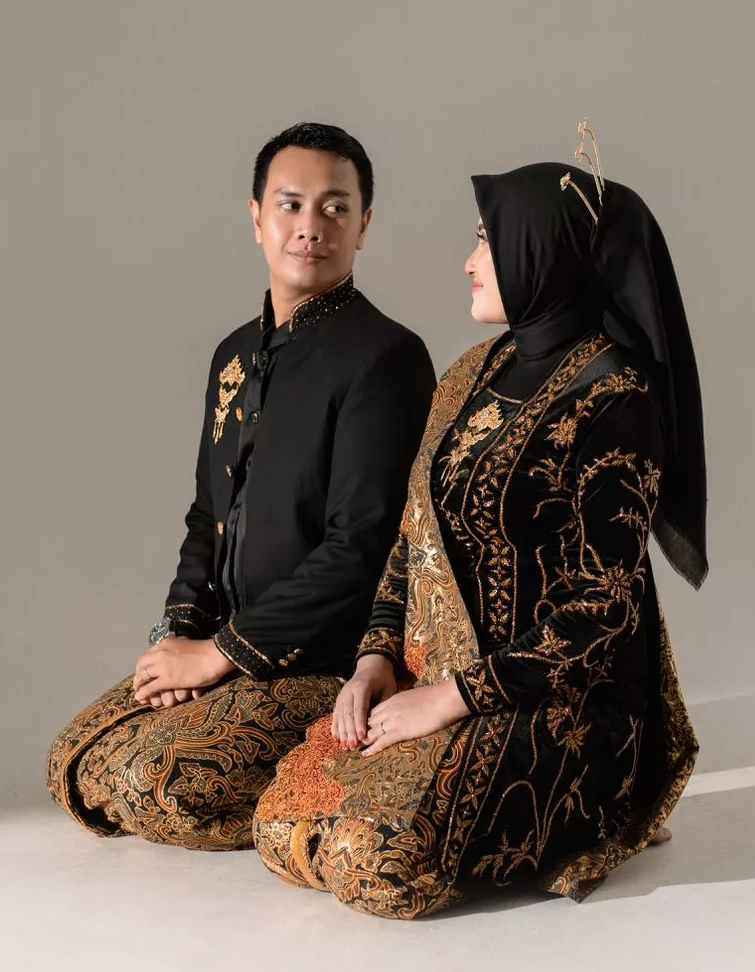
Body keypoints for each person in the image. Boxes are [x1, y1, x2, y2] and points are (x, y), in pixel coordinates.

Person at [254, 128, 706, 916]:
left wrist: (450, 699)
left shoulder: (614, 397)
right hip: (440, 682)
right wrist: (374, 661)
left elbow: (605, 605)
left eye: (487, 242)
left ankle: (611, 804)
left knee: (376, 865)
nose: (469, 262)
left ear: (544, 252)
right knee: (280, 819)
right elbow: (411, 537)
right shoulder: (471, 372)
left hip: (563, 707)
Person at [47, 122, 436, 849]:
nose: (311, 226)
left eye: (335, 208)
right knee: (74, 762)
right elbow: (208, 516)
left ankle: (323, 771)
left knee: (152, 783)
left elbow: (362, 549)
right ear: (256, 217)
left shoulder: (386, 356)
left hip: (325, 660)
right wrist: (180, 638)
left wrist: (221, 655)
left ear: (364, 226)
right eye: (290, 205)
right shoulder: (233, 355)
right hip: (222, 642)